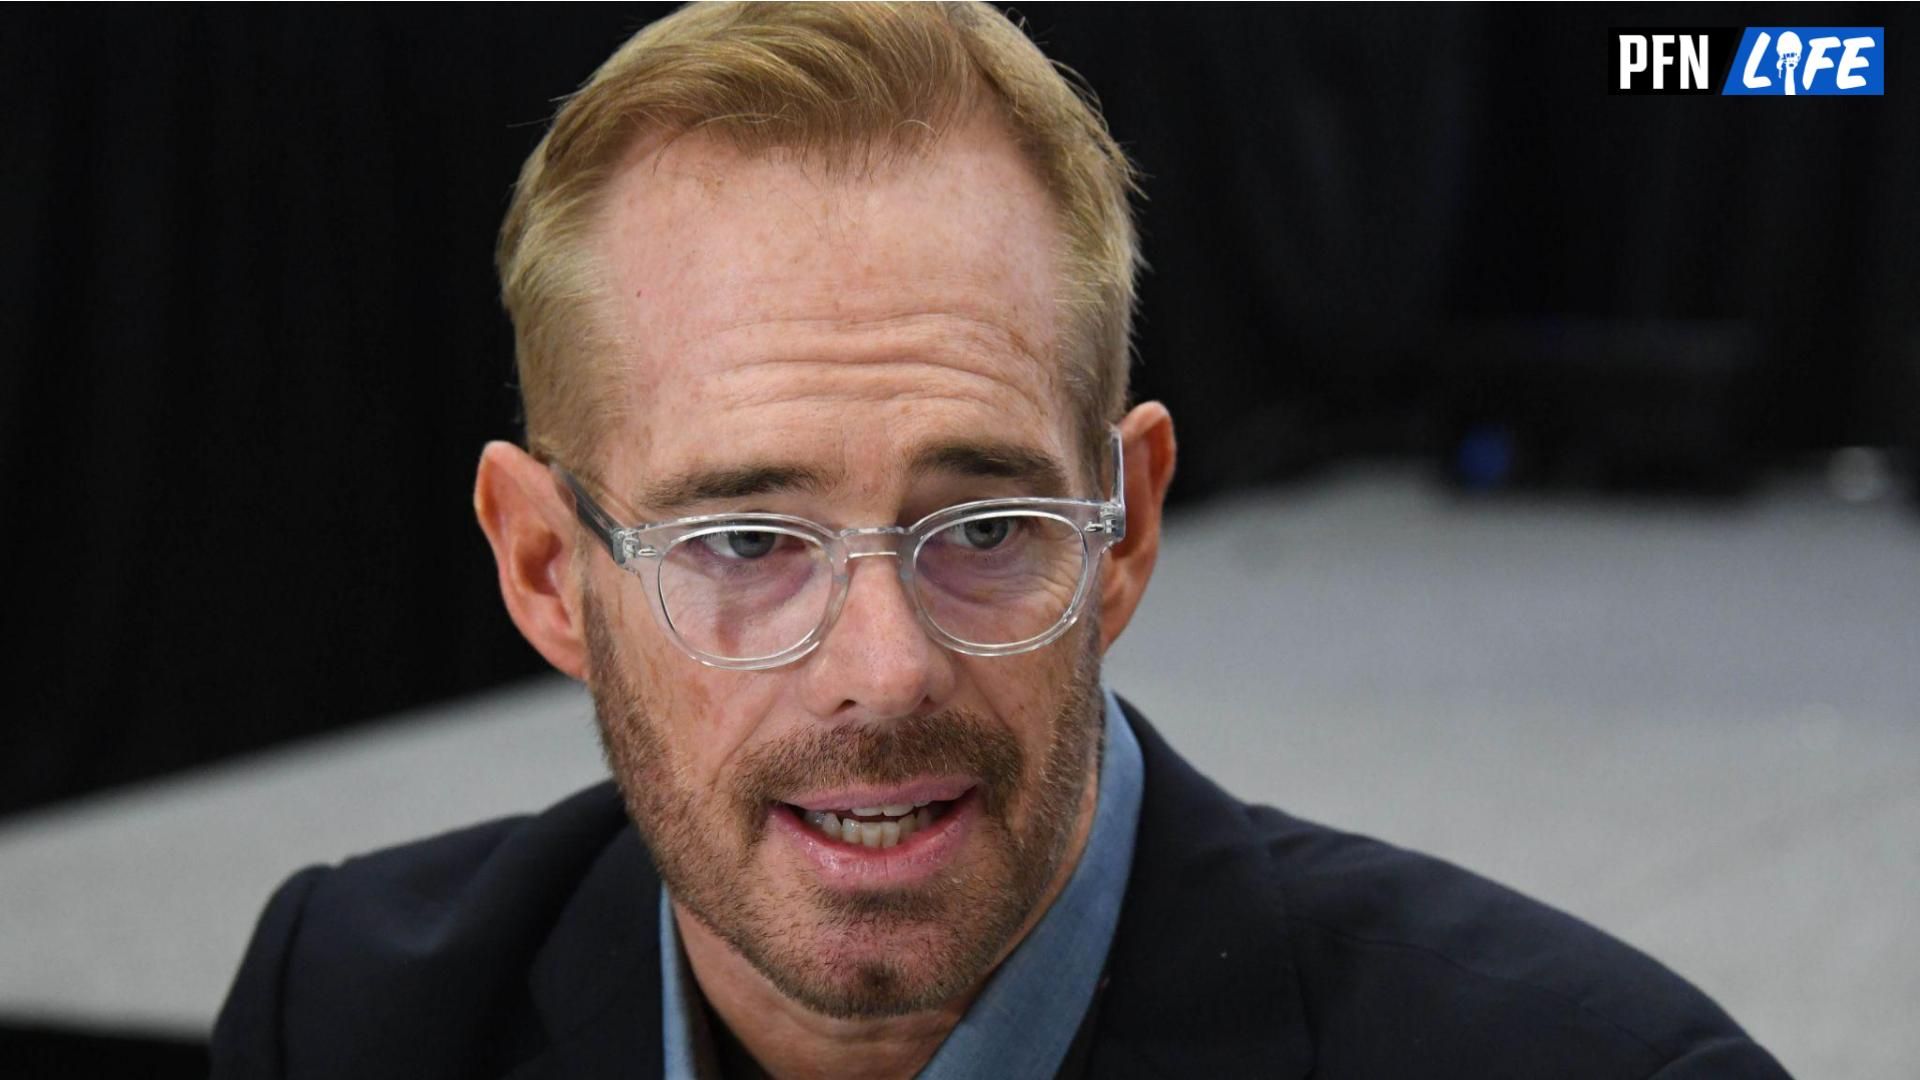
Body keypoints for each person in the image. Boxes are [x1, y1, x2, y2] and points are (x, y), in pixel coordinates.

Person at [212, 4, 1788, 1077]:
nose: (884, 670)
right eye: (749, 541)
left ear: (1125, 529)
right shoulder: (345, 1012)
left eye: (985, 524)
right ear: (549, 570)